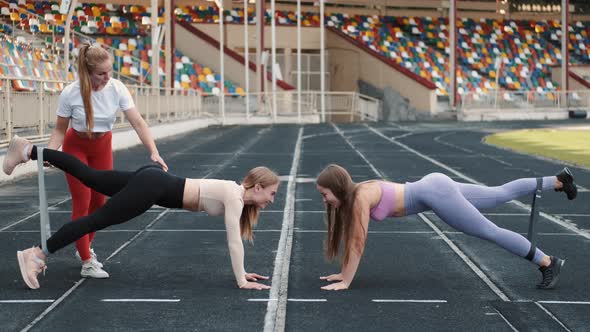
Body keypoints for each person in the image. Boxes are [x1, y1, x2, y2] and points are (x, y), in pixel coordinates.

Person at [3, 136, 277, 291]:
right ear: (260, 186)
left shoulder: (234, 193)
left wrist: (243, 273)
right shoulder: (235, 196)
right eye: (272, 194)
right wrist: (241, 279)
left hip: (154, 180)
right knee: (95, 219)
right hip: (154, 186)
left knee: (90, 176)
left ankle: (28, 150)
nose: (272, 201)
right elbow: (233, 241)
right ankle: (37, 253)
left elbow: (235, 240)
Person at [315, 164, 577, 291]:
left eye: (325, 194)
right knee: (498, 194)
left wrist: (347, 280)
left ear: (338, 189)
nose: (324, 200)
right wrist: (343, 272)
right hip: (434, 184)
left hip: (435, 194)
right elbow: (352, 238)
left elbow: (357, 241)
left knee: (489, 231)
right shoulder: (357, 194)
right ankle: (558, 180)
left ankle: (547, 262)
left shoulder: (360, 198)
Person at [47, 42, 168, 279]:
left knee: (100, 203)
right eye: (101, 74)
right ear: (88, 72)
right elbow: (60, 130)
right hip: (76, 146)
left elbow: (138, 122)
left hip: (102, 146)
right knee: (82, 200)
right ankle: (87, 260)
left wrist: (153, 151)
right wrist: (50, 152)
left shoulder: (117, 88)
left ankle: (82, 243)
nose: (107, 77)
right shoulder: (71, 93)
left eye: (110, 71)